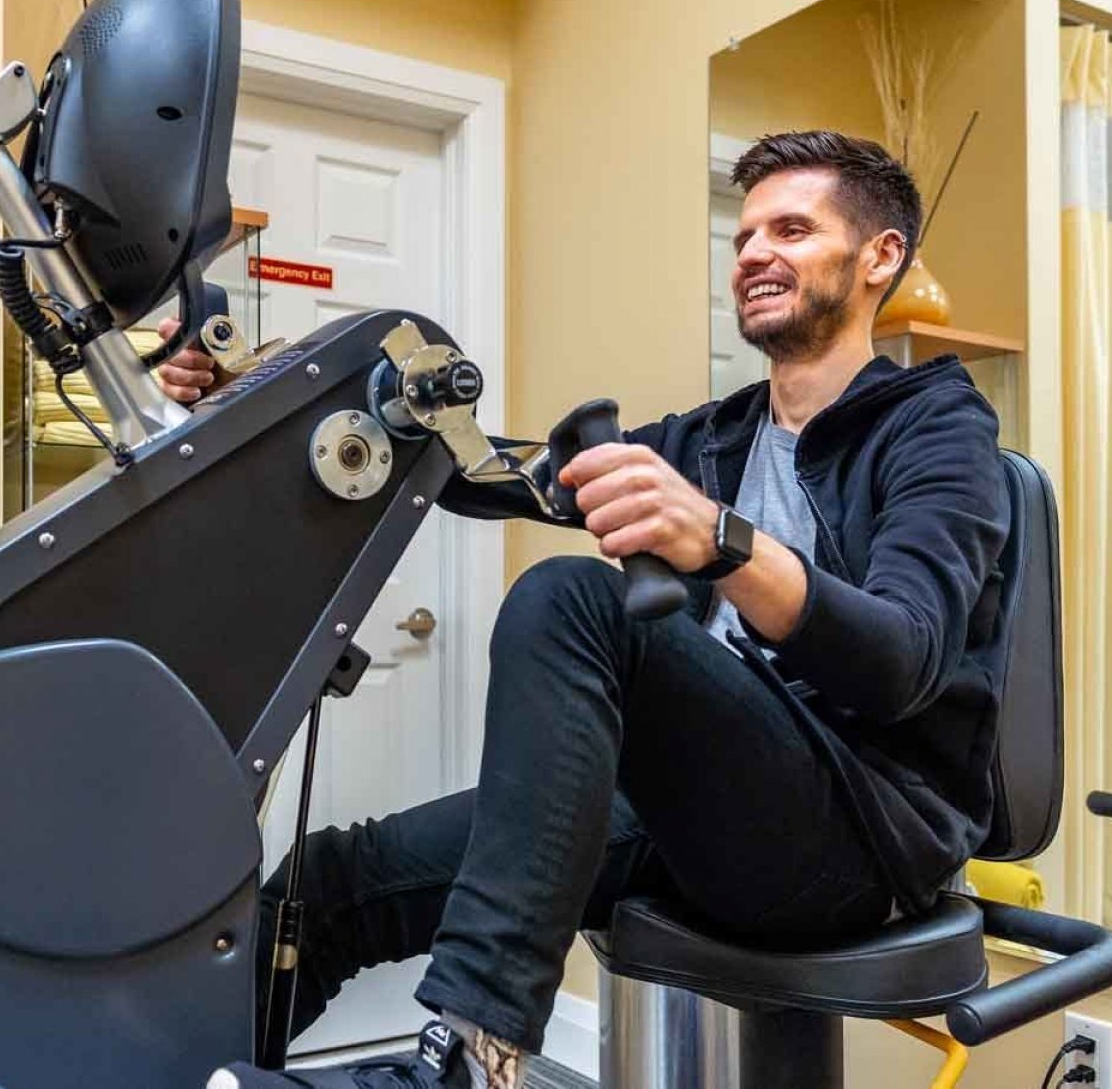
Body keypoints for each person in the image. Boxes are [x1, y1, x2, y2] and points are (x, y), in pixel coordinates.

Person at [159, 130, 1012, 1089]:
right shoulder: (718, 436)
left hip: (862, 835)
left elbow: (905, 657)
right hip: (701, 808)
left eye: (792, 229)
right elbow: (496, 474)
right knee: (331, 888)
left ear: (879, 258)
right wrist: (264, 401)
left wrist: (721, 539)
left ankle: (474, 1057)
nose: (754, 254)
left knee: (575, 598)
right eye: (743, 237)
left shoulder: (940, 426)